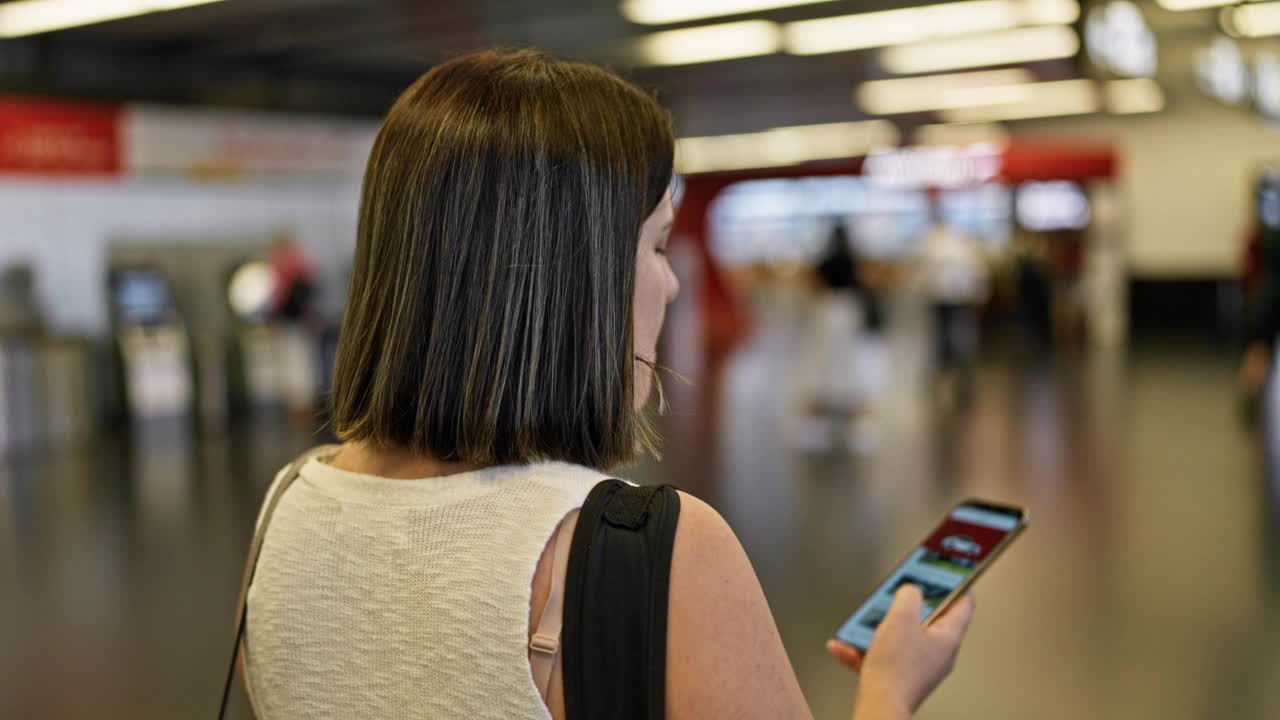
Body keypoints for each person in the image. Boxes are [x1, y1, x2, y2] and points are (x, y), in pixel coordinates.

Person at [240, 50, 974, 720]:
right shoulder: (661, 548)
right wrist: (889, 687)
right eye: (657, 244)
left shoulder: (286, 512)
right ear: (576, 275)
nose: (675, 280)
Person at [918, 201, 990, 407]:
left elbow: (925, 274)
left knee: (949, 340)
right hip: (952, 300)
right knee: (955, 339)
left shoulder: (935, 242)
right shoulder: (955, 243)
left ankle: (952, 379)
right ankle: (954, 379)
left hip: (948, 300)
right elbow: (977, 273)